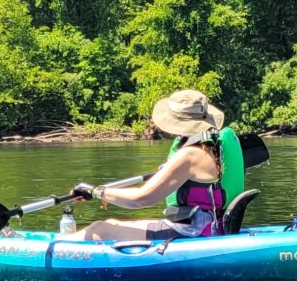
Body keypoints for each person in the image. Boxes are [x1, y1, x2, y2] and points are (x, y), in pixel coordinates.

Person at [68, 90, 243, 243]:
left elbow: (141, 199)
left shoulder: (188, 156)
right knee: (112, 222)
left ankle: (55, 249)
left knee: (100, 229)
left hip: (193, 233)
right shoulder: (214, 148)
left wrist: (96, 192)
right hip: (214, 228)